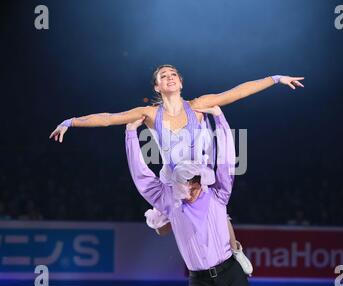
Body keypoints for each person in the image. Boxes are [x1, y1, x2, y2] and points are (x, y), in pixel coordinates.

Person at [49, 65, 304, 274]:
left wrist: (276, 78)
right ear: (157, 87)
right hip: (174, 180)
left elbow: (238, 92)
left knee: (217, 209)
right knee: (161, 227)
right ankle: (182, 229)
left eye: (173, 75)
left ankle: (234, 250)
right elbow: (108, 118)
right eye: (163, 76)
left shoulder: (198, 105)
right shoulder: (148, 113)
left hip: (200, 176)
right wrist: (70, 122)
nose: (169, 78)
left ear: (180, 82)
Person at [125, 106, 254, 286]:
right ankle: (235, 250)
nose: (190, 191)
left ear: (200, 182)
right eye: (186, 187)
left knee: (222, 215)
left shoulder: (216, 194)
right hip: (200, 282)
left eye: (194, 186)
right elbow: (141, 177)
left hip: (230, 274)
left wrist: (220, 118)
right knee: (162, 227)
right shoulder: (172, 199)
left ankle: (236, 251)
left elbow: (226, 161)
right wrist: (131, 134)